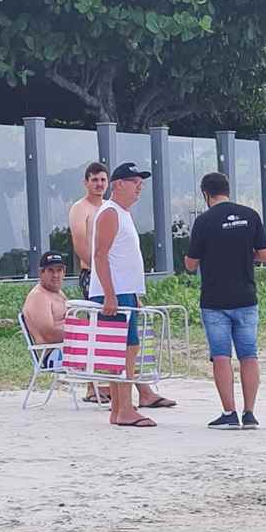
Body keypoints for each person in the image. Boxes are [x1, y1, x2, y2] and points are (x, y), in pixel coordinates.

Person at [89, 161, 175, 427]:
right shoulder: (110, 212)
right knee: (124, 350)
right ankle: (125, 408)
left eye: (141, 183)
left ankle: (119, 408)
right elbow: (100, 256)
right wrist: (111, 295)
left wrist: (133, 293)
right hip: (114, 294)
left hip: (124, 292)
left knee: (127, 348)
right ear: (119, 185)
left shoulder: (121, 213)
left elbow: (121, 258)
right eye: (135, 182)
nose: (140, 188)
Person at [184, 172, 266, 429]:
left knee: (221, 356)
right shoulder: (250, 215)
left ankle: (229, 413)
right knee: (248, 354)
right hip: (246, 297)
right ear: (227, 190)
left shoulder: (203, 221)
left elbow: (190, 264)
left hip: (214, 300)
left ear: (205, 194)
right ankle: (250, 413)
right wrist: (245, 254)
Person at [69, 162, 110, 403]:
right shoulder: (80, 208)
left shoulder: (109, 208)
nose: (99, 184)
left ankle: (110, 384)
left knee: (114, 330)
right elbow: (80, 244)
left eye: (103, 180)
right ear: (86, 182)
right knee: (95, 327)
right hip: (92, 274)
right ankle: (91, 386)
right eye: (94, 180)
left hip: (112, 276)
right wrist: (99, 271)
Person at [22, 251, 68, 367]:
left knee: (114, 350)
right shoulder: (39, 296)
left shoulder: (58, 293)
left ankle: (112, 384)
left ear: (64, 272)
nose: (55, 275)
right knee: (109, 354)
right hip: (53, 355)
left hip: (65, 349)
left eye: (59, 270)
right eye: (51, 271)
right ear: (41, 272)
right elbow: (49, 334)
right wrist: (79, 331)